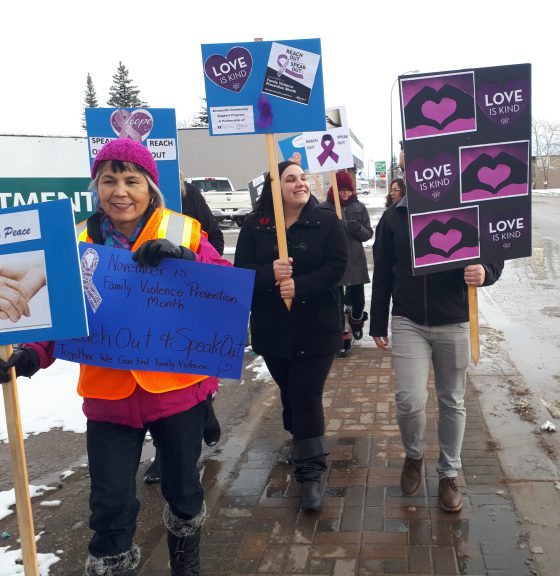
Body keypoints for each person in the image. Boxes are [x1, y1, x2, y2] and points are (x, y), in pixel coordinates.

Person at [0, 138, 231, 575]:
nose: (119, 191)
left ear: (150, 187)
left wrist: (184, 262)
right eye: (109, 180)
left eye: (131, 180)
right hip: (108, 397)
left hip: (176, 394)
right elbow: (62, 312)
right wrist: (32, 353)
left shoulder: (182, 230)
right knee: (109, 504)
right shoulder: (78, 242)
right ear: (96, 187)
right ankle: (112, 565)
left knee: (182, 489)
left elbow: (223, 291)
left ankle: (187, 563)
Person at [369, 186, 504, 513]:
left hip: (454, 319)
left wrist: (486, 271)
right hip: (408, 319)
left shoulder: (469, 208)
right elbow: (384, 272)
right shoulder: (394, 217)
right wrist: (376, 322)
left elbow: (495, 254)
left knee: (452, 400)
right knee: (409, 400)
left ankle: (448, 473)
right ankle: (414, 455)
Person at [234, 160, 347, 511]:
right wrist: (270, 273)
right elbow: (240, 274)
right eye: (290, 179)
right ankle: (297, 436)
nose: (300, 183)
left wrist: (301, 285)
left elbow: (337, 266)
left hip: (317, 325)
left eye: (302, 178)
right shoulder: (256, 226)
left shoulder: (327, 220)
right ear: (274, 186)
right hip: (273, 328)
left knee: (306, 393)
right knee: (289, 389)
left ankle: (310, 473)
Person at [142, 174, 225, 484]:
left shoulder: (187, 198)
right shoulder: (98, 229)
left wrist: (183, 259)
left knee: (185, 386)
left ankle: (201, 413)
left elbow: (215, 245)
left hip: (182, 311)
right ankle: (168, 450)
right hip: (137, 325)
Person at [321, 170, 373, 357]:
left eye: (348, 190)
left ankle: (356, 321)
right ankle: (342, 338)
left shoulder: (359, 207)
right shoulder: (325, 208)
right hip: (334, 262)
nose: (346, 194)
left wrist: (357, 228)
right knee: (336, 304)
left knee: (358, 301)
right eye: (341, 190)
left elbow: (368, 233)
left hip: (355, 262)